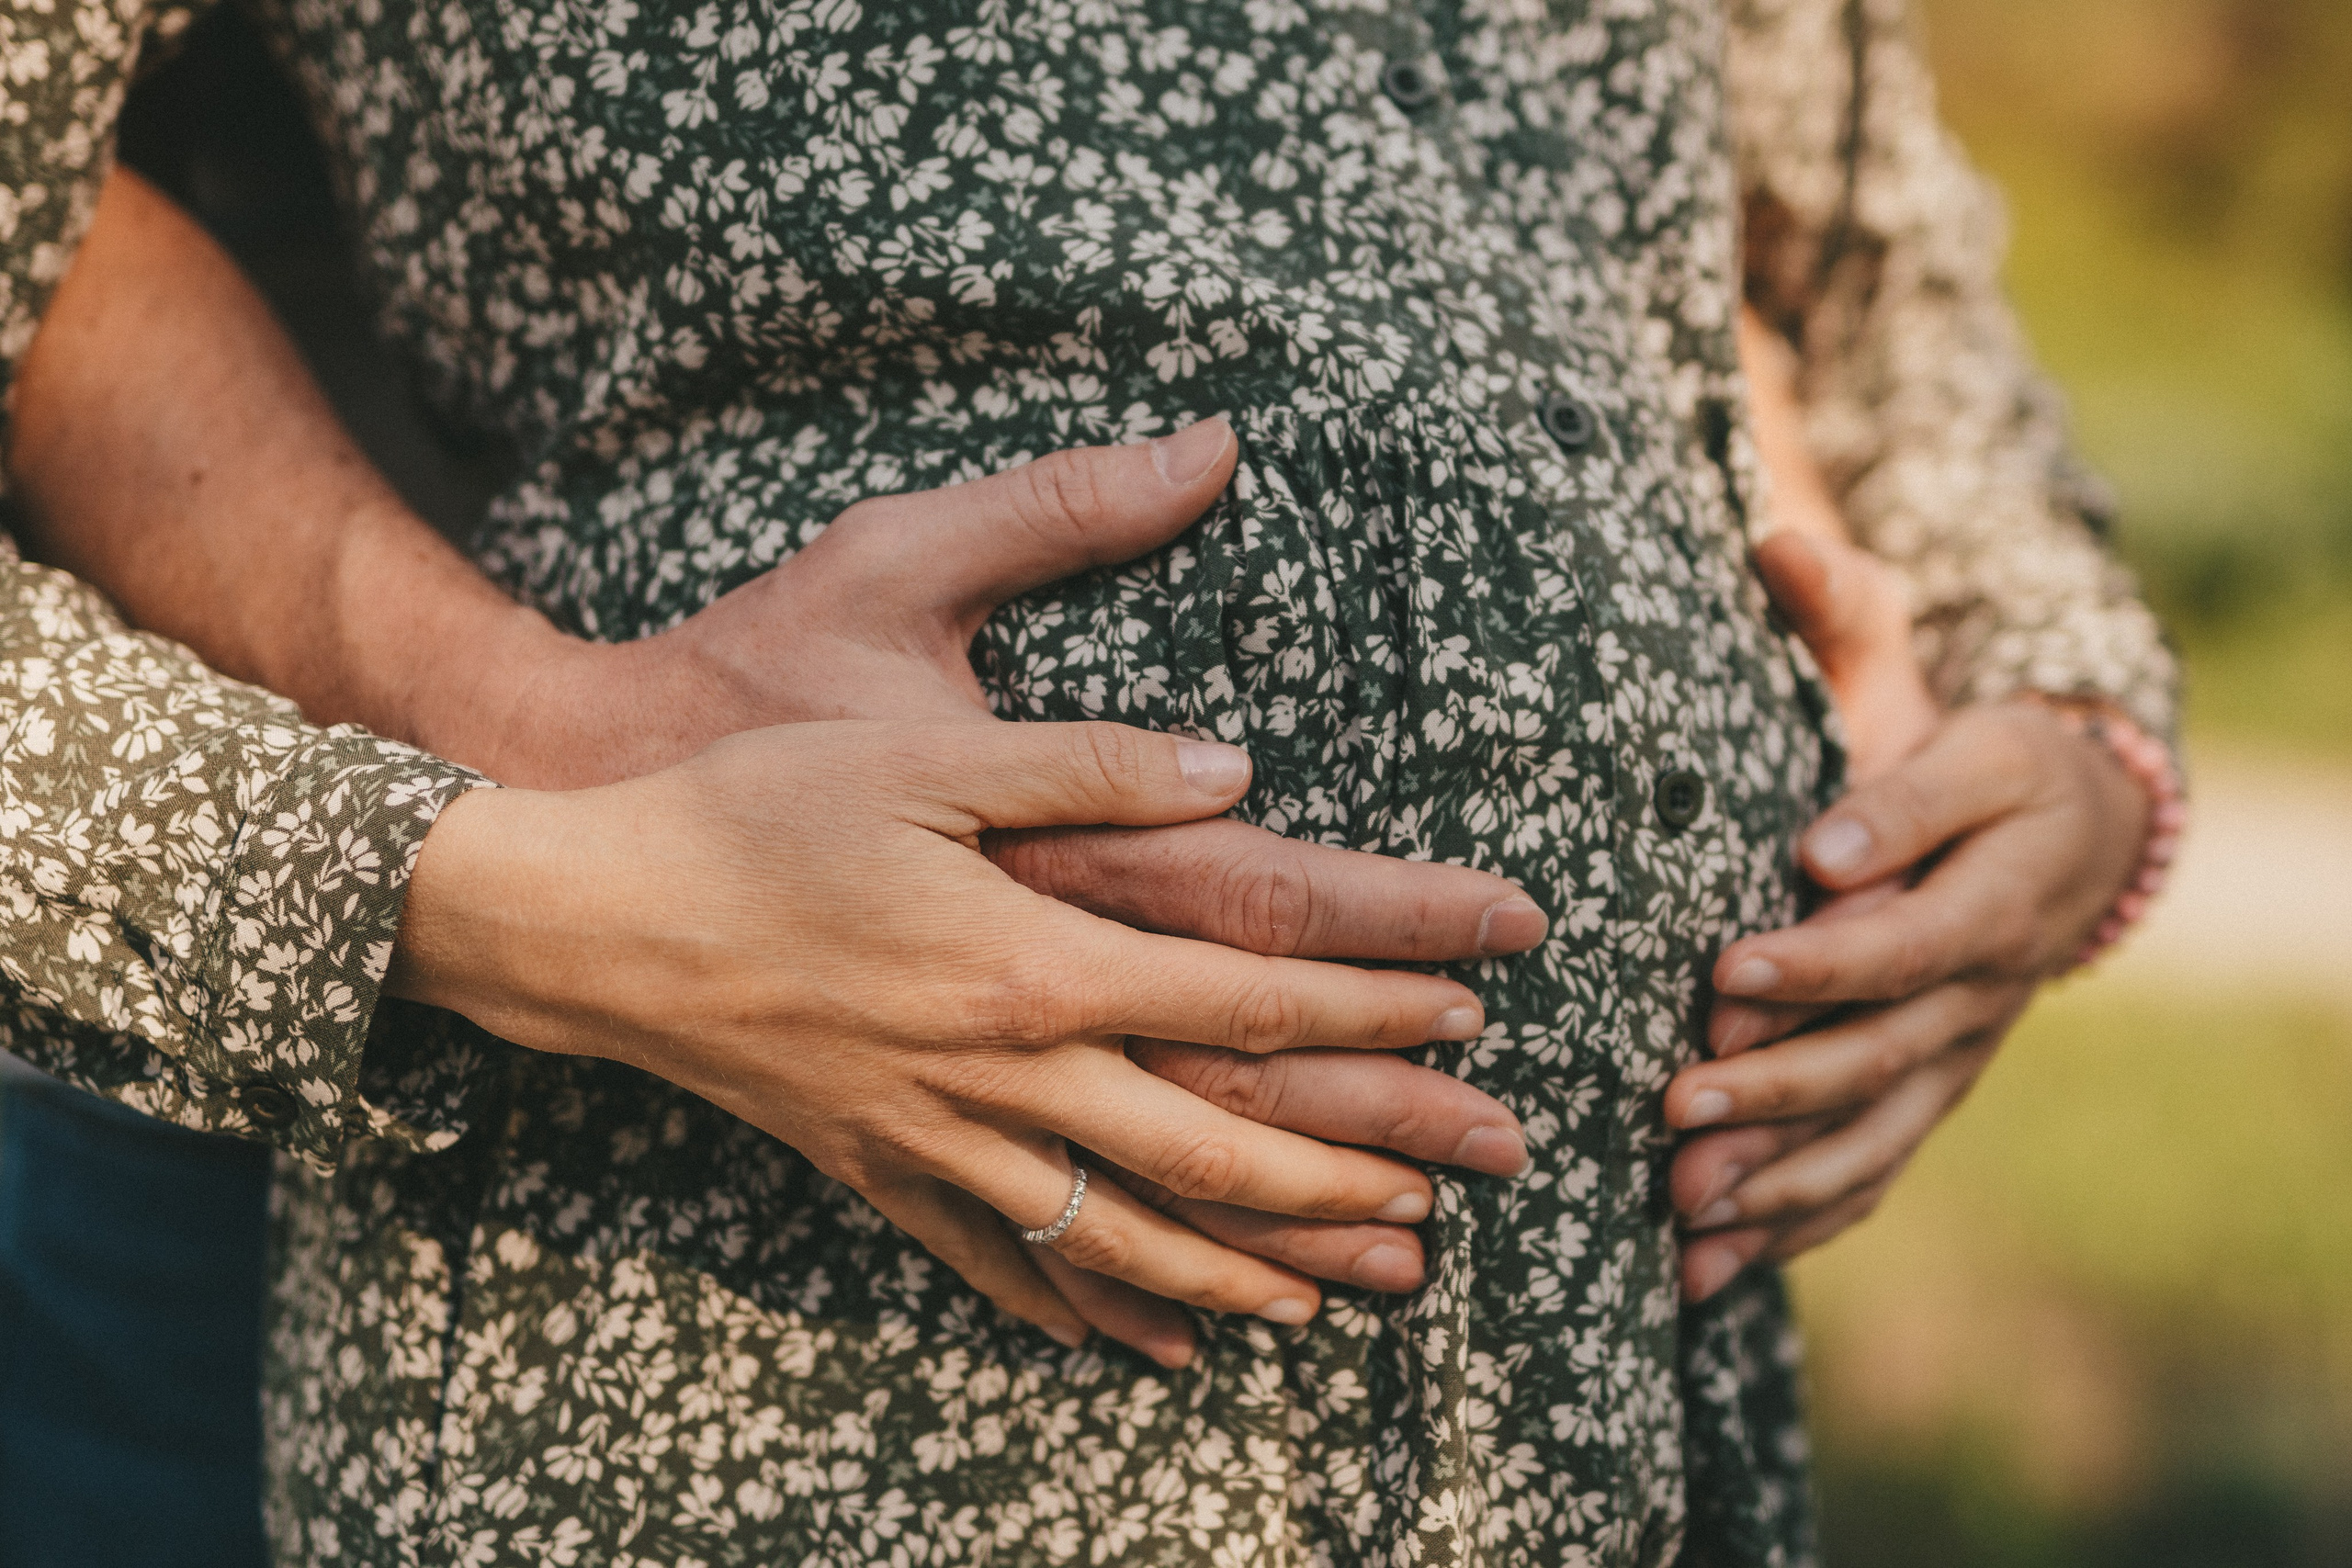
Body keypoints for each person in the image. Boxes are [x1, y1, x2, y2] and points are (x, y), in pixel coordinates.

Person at [0, 2, 2177, 1565]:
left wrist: (2060, 725)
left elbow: (1872, 276)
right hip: (749, 1357)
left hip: (1608, 1386)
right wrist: (511, 846)